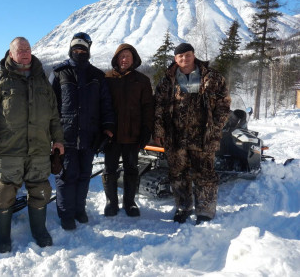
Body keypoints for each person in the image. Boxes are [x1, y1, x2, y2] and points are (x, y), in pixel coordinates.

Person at [0, 37, 64, 253]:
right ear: (11, 53)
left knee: (40, 191)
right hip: (9, 151)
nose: (25, 53)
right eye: (20, 50)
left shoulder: (42, 80)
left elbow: (54, 115)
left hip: (39, 151)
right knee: (4, 194)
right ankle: (2, 238)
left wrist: (58, 139)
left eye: (28, 49)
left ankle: (39, 232)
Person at [154, 42, 230, 225]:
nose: (184, 59)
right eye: (180, 56)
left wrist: (216, 127)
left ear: (193, 55)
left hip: (203, 136)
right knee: (178, 174)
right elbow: (157, 107)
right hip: (175, 136)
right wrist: (159, 131)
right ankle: (183, 207)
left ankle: (205, 211)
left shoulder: (212, 77)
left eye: (187, 55)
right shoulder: (166, 81)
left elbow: (224, 105)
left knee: (205, 174)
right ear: (175, 59)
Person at [49, 32, 115, 230]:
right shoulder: (59, 73)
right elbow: (49, 106)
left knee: (84, 175)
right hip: (64, 136)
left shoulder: (97, 75)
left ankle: (79, 209)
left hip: (89, 135)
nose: (79, 52)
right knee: (66, 176)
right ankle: (66, 214)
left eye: (83, 49)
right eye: (76, 49)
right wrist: (51, 135)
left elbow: (106, 104)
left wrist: (108, 128)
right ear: (70, 49)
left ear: (88, 50)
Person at [103, 43, 155, 217]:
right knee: (109, 169)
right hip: (112, 135)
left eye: (128, 56)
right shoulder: (107, 78)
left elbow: (148, 107)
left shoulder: (142, 80)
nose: (124, 59)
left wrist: (147, 130)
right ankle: (111, 202)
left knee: (131, 169)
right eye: (121, 56)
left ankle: (129, 202)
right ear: (116, 59)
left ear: (134, 59)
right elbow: (100, 105)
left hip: (133, 134)